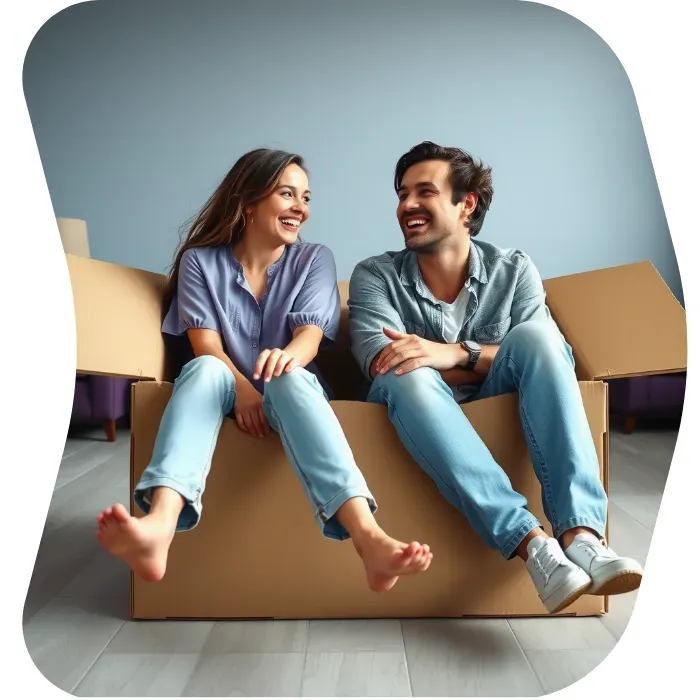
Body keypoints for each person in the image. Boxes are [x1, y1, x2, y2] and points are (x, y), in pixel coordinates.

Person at [96, 148, 432, 592]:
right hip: (221, 390)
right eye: (286, 194)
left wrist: (283, 363)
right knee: (203, 371)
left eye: (305, 198)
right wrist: (246, 392)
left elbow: (310, 337)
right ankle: (158, 526)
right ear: (248, 202)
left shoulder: (314, 259)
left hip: (295, 397)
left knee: (289, 375)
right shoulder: (201, 261)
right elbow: (206, 346)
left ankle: (368, 539)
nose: (301, 209)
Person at [348, 141, 644, 614]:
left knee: (539, 340)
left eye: (424, 192)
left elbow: (549, 359)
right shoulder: (375, 275)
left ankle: (582, 535)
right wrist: (462, 361)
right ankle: (534, 545)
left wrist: (451, 354)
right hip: (414, 408)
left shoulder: (514, 269)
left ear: (467, 203)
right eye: (402, 194)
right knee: (409, 375)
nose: (406, 206)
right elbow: (378, 357)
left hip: (497, 398)